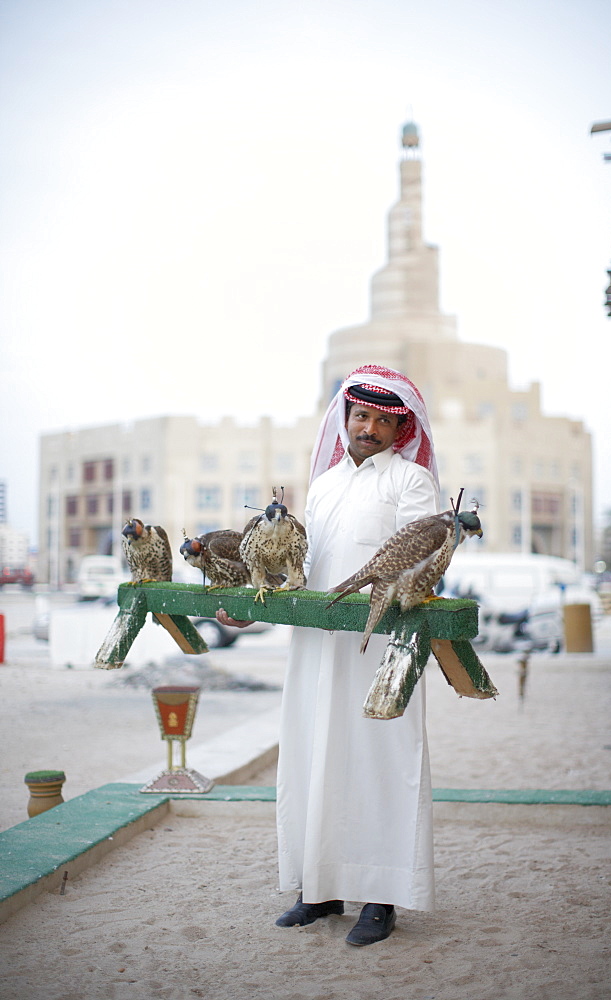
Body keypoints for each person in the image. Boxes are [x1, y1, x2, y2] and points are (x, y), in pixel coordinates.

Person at [217, 364, 440, 946]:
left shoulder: (411, 483)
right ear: (345, 419)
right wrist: (251, 609)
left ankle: (381, 899)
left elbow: (420, 566)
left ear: (399, 428)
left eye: (381, 420)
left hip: (381, 648)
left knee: (380, 764)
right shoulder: (323, 486)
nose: (367, 427)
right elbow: (302, 570)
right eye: (360, 416)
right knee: (313, 760)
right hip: (316, 648)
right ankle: (318, 890)